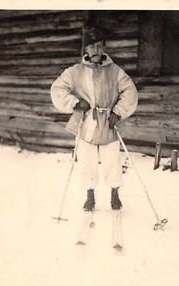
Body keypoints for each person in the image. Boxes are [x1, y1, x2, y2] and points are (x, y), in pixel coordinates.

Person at [50, 26, 138, 211]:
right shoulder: (75, 72)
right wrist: (75, 102)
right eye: (92, 46)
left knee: (112, 158)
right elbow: (57, 89)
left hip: (108, 121)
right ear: (86, 50)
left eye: (99, 46)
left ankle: (115, 193)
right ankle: (89, 196)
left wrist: (118, 111)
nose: (96, 50)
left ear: (104, 47)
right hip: (86, 121)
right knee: (86, 159)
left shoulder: (115, 71)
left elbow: (130, 90)